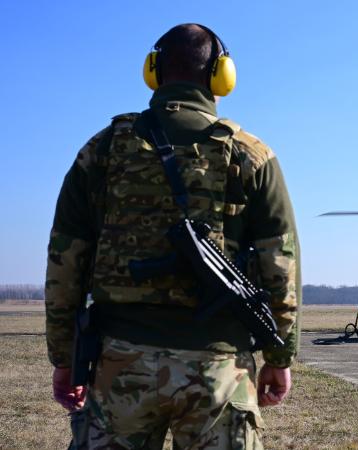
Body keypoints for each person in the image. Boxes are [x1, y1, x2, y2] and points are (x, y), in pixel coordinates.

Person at [45, 23, 300, 449]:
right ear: (222, 76)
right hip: (219, 372)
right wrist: (279, 356)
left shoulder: (102, 149)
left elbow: (65, 261)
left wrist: (64, 357)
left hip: (119, 363)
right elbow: (281, 264)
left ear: (153, 71)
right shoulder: (251, 154)